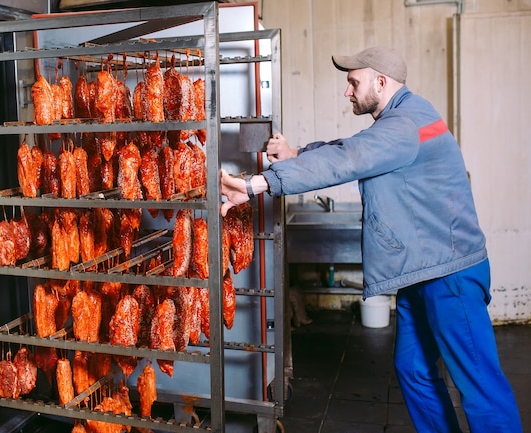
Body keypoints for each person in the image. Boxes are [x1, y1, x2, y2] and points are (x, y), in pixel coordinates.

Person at [220, 46, 522, 433]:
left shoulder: (406, 123)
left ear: (381, 82)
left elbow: (353, 157)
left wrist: (258, 183)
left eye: (353, 82)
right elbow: (354, 150)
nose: (348, 91)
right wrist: (297, 154)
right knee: (412, 368)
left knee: (478, 383)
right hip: (422, 270)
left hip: (451, 273)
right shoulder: (399, 122)